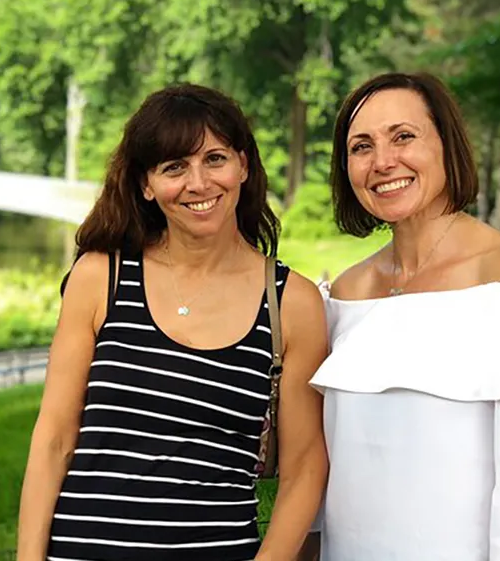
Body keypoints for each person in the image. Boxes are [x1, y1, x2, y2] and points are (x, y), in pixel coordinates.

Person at [17, 83, 328, 561]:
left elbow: (305, 466)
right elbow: (54, 438)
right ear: (147, 184)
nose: (198, 183)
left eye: (215, 159)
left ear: (243, 164)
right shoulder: (102, 276)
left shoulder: (292, 302)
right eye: (174, 167)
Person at [310, 72, 500, 560]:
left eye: (403, 136)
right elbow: (324, 474)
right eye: (361, 146)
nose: (383, 162)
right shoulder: (345, 294)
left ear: (447, 144)